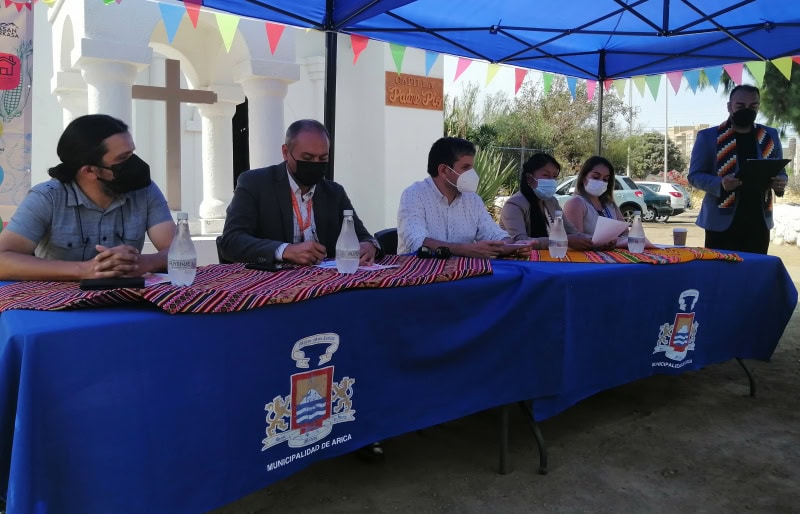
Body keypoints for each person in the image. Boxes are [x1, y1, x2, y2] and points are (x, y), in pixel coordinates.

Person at [0, 114, 175, 281]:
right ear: (89, 171)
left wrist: (145, 262)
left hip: (129, 296)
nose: (134, 165)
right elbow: (3, 260)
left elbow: (180, 252)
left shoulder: (144, 190)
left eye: (132, 154)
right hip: (58, 299)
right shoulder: (47, 198)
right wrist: (84, 270)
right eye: (123, 158)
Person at [219, 119, 381, 265]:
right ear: (285, 152)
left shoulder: (334, 193)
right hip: (271, 283)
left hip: (326, 282)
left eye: (322, 158)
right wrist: (284, 250)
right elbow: (231, 241)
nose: (315, 164)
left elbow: (363, 236)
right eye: (307, 158)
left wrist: (369, 246)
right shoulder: (255, 184)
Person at [688, 85, 787, 254]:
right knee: (720, 270)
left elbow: (780, 172)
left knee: (755, 269)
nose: (747, 110)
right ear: (729, 106)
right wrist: (720, 183)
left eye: (753, 106)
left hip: (759, 221)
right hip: (721, 224)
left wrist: (781, 182)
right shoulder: (708, 137)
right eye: (740, 106)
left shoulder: (770, 136)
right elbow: (694, 176)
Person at [397, 137, 528, 258]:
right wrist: (466, 250)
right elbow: (417, 242)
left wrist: (513, 246)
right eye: (466, 167)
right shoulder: (414, 195)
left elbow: (494, 234)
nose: (472, 173)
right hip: (419, 272)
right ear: (443, 170)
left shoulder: (472, 200)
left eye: (472, 167)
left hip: (464, 272)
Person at [500, 153, 597, 251]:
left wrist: (594, 240)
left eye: (554, 176)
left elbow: (570, 231)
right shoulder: (514, 205)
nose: (551, 180)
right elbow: (521, 241)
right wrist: (564, 241)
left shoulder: (551, 201)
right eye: (545, 175)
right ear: (529, 178)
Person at [563, 156, 626, 245]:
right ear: (583, 178)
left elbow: (626, 233)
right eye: (596, 177)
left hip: (611, 252)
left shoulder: (609, 204)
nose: (601, 182)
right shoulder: (576, 203)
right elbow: (576, 240)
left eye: (605, 179)